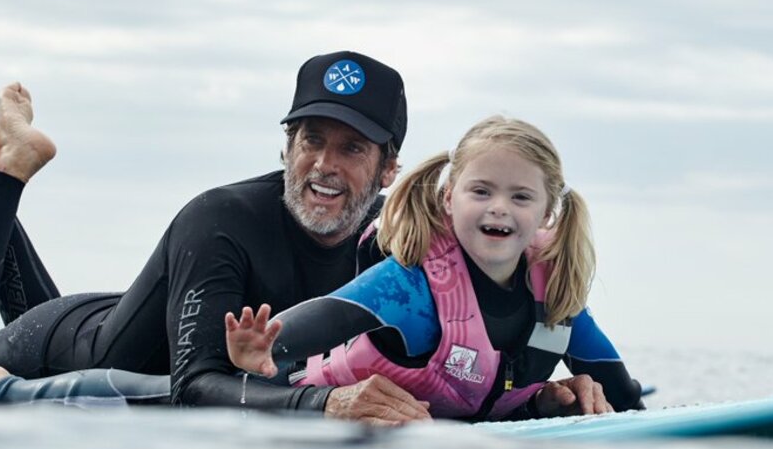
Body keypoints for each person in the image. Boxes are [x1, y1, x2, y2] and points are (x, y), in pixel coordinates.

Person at [0, 52, 435, 424]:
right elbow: (191, 388)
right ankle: (2, 179)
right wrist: (327, 405)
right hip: (55, 351)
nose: (323, 165)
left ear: (390, 169)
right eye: (311, 140)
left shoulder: (394, 238)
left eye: (352, 149)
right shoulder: (223, 219)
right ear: (288, 147)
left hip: (124, 328)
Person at [223, 116, 644, 419]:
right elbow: (329, 314)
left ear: (547, 212)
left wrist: (548, 404)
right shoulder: (412, 287)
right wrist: (261, 347)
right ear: (448, 199)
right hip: (305, 412)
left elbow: (626, 397)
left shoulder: (554, 294)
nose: (499, 207)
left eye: (521, 197)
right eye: (481, 191)